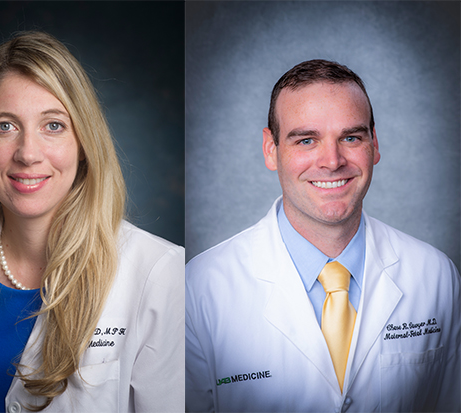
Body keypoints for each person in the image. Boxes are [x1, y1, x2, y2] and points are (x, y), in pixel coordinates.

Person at [0, 31, 184, 412]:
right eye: (4, 126)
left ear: (83, 142)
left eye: (53, 125)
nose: (28, 153)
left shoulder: (159, 273)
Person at [185, 59, 460, 412]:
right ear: (271, 149)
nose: (332, 161)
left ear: (374, 144)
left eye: (350, 137)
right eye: (306, 140)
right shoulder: (201, 287)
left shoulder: (436, 276)